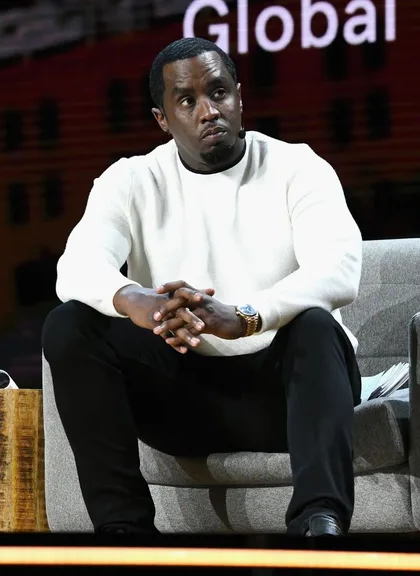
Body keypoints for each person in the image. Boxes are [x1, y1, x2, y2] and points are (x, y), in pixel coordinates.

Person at [41, 37, 363, 537]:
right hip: (183, 399)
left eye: (219, 92)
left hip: (285, 398)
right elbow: (75, 268)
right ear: (163, 119)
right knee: (70, 325)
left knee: (317, 327)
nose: (208, 110)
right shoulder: (130, 180)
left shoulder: (297, 166)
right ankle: (124, 533)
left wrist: (245, 317)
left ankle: (319, 525)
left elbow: (339, 268)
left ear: (240, 97)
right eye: (187, 101)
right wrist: (136, 301)